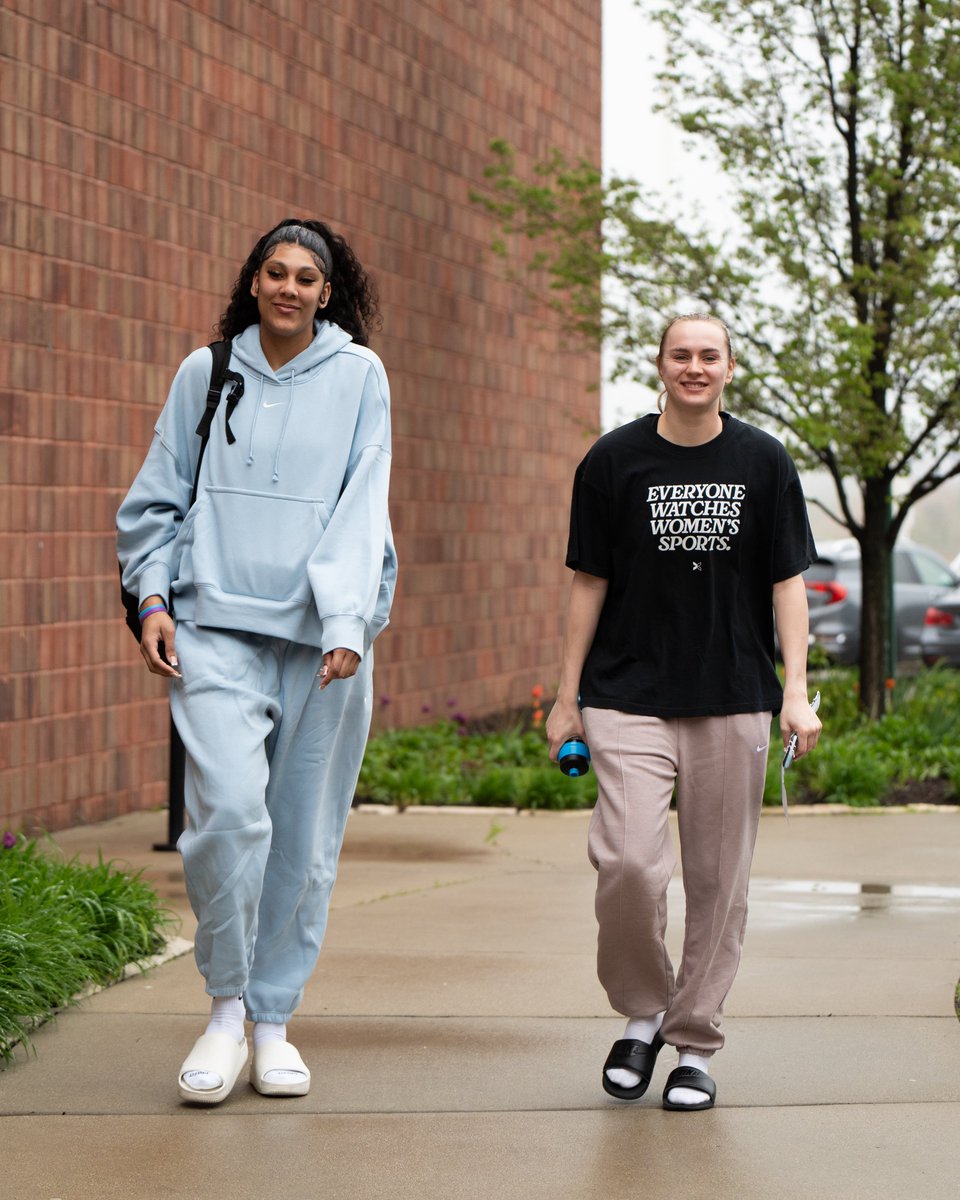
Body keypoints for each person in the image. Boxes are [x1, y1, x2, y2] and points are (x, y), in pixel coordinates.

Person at [117, 219, 397, 1105]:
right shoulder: (207, 373)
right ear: (253, 283)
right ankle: (225, 1008)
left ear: (327, 292)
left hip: (324, 643)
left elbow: (364, 502)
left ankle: (273, 1020)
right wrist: (153, 601)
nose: (288, 287)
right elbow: (157, 501)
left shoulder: (359, 375)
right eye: (274, 272)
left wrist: (350, 619)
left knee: (304, 839)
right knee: (229, 818)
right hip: (213, 628)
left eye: (306, 277)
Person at [546, 314, 821, 1111]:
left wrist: (795, 692)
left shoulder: (764, 460)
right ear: (659, 365)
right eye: (681, 355)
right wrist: (567, 697)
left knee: (718, 882)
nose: (694, 367)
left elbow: (786, 583)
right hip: (628, 694)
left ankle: (694, 1041)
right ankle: (643, 1011)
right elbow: (587, 583)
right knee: (630, 865)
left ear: (730, 367)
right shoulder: (613, 460)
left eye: (709, 355)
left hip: (732, 694)